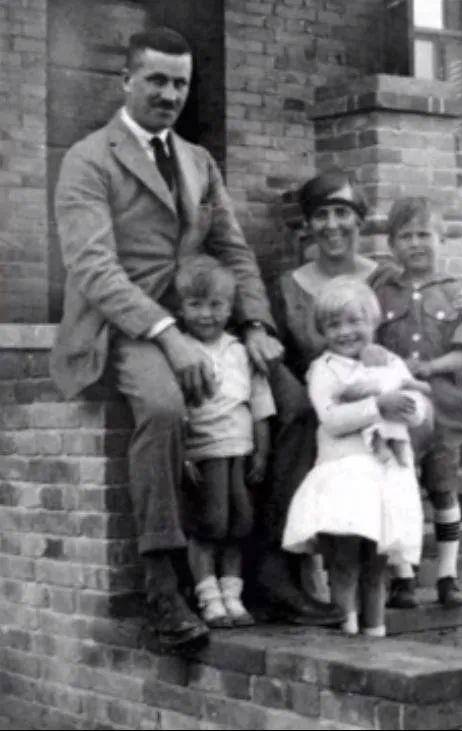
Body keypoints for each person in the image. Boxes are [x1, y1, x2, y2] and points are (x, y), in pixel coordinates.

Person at [50, 27, 283, 654]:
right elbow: (93, 267)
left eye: (180, 83)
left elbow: (233, 250)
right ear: (126, 80)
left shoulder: (198, 161)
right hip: (122, 322)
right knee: (163, 406)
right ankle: (162, 587)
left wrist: (255, 325)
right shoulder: (88, 159)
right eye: (156, 80)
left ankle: (268, 570)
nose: (169, 94)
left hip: (202, 320)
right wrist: (167, 333)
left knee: (292, 398)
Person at [255, 168, 433, 624]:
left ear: (359, 219)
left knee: (419, 419)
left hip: (383, 398)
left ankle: (397, 560)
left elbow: (412, 337)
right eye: (321, 215)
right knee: (300, 423)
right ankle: (300, 576)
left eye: (342, 213)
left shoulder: (386, 278)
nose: (332, 224)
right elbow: (282, 354)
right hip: (319, 398)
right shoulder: (288, 285)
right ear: (307, 225)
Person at [282, 278, 428, 636]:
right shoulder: (324, 369)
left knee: (376, 567)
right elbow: (332, 419)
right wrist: (378, 405)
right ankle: (345, 632)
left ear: (373, 322)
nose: (345, 332)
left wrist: (402, 400)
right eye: (334, 325)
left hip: (385, 477)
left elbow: (416, 408)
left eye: (354, 321)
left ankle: (375, 633)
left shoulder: (389, 361)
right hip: (344, 477)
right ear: (322, 331)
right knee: (344, 562)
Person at [371, 196, 462, 609]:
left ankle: (448, 577)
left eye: (425, 234)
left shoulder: (458, 293)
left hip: (446, 410)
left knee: (443, 489)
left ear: (442, 239)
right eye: (406, 236)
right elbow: (370, 346)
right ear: (391, 245)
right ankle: (403, 576)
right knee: (400, 490)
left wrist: (428, 367)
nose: (416, 243)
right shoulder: (382, 293)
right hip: (400, 412)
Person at [176, 256, 275, 629]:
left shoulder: (239, 350)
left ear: (231, 307)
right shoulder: (182, 353)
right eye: (195, 305)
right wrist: (184, 455)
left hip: (241, 449)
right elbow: (176, 410)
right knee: (210, 523)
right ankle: (208, 596)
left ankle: (232, 595)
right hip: (205, 449)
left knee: (240, 523)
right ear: (181, 308)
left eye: (216, 305)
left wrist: (261, 451)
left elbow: (259, 404)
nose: (206, 314)